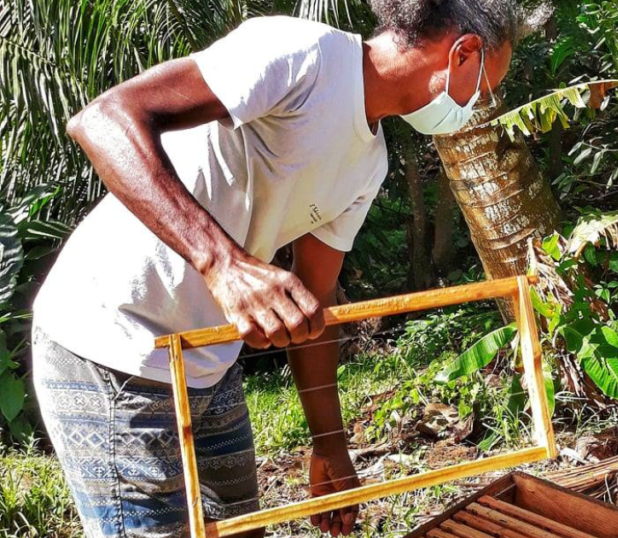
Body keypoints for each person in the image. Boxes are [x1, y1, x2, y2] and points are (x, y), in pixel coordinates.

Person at [30, 1, 531, 536]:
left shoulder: (369, 164)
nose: (480, 104)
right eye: (485, 88)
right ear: (464, 52)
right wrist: (222, 263)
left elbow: (317, 300)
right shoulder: (302, 55)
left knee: (245, 529)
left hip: (207, 362)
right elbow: (102, 119)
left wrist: (330, 446)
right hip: (107, 339)